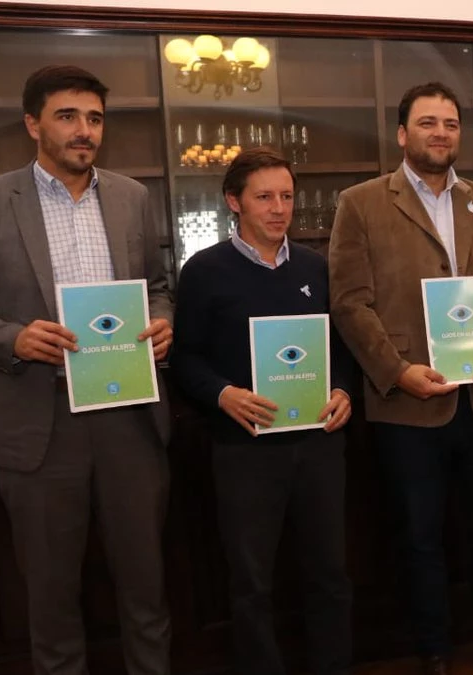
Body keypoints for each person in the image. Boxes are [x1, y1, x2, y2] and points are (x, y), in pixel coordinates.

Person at [0, 65, 173, 675]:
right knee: (51, 601)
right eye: (67, 116)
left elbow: (157, 287)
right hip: (39, 425)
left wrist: (161, 321)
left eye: (95, 118)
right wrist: (13, 338)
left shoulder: (131, 196)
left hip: (129, 418)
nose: (84, 130)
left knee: (147, 591)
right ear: (33, 124)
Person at [327, 81, 473, 675]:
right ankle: (433, 650)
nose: (441, 133)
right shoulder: (361, 203)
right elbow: (350, 303)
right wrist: (396, 371)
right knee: (420, 537)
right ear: (402, 134)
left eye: (451, 124)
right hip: (409, 403)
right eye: (428, 123)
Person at [169, 147, 354, 675]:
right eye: (265, 197)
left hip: (318, 444)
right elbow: (185, 359)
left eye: (287, 196)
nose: (279, 208)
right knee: (251, 583)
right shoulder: (204, 271)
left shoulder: (316, 267)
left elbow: (342, 349)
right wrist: (222, 393)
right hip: (245, 449)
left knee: (330, 573)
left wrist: (343, 390)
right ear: (235, 202)